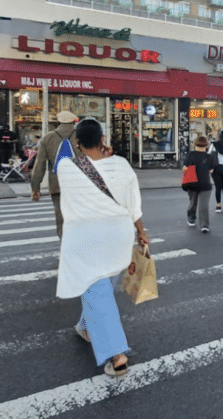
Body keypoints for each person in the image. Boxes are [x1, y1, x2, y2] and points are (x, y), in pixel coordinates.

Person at [56, 119, 148, 377]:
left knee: (95, 288)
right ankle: (86, 327)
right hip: (118, 235)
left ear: (77, 142)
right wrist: (141, 232)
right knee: (101, 286)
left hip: (86, 238)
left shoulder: (67, 167)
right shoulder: (122, 165)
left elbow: (73, 165)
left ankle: (117, 354)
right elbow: (134, 204)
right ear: (103, 139)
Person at [32, 111, 81, 238]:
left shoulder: (47, 139)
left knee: (61, 219)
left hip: (57, 185)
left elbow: (39, 166)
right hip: (81, 185)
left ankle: (66, 247)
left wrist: (35, 188)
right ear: (73, 121)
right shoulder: (82, 136)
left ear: (58, 122)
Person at [183, 135, 215, 233]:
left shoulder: (191, 155)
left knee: (192, 203)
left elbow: (184, 168)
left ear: (195, 144)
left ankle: (191, 218)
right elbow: (212, 170)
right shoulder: (209, 156)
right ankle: (204, 225)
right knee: (203, 206)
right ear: (206, 145)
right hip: (205, 184)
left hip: (192, 183)